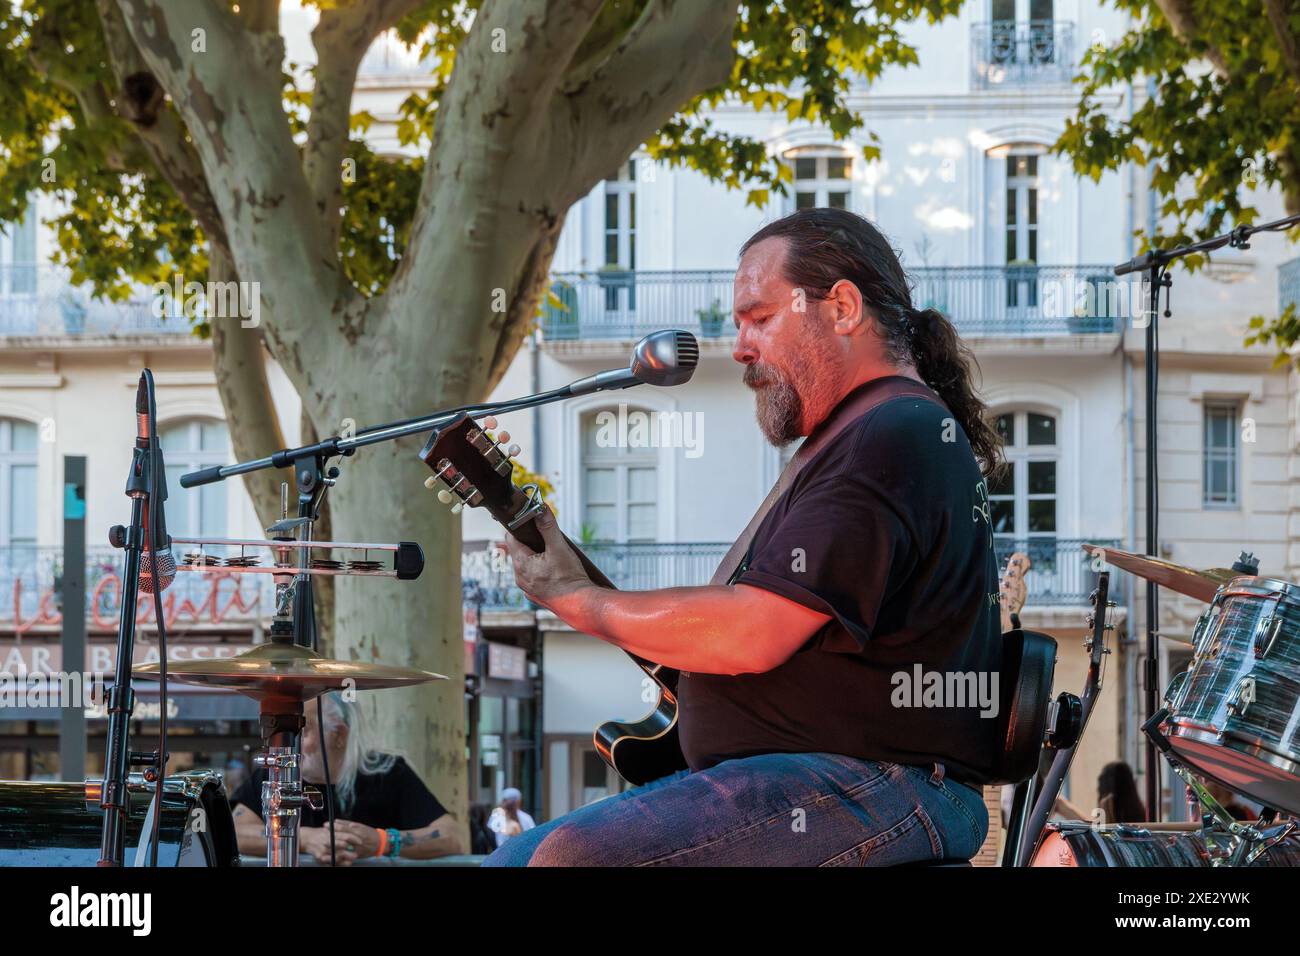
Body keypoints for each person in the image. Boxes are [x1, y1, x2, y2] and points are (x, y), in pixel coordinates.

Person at [485, 208, 1006, 866]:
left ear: (843, 307)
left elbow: (750, 634)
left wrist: (575, 600)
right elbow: (730, 643)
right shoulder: (860, 437)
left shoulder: (890, 432)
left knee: (574, 856)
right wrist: (578, 583)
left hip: (891, 780)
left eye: (759, 317)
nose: (739, 346)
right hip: (825, 777)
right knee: (508, 860)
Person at [231, 692, 463, 864]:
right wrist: (304, 839)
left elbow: (451, 837)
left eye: (305, 731)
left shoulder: (388, 773)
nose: (292, 743)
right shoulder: (278, 771)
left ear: (339, 734)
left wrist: (381, 842)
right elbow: (233, 833)